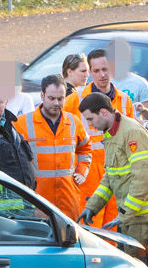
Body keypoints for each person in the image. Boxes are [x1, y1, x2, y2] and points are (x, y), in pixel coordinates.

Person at [79, 91, 148, 268]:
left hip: (145, 216)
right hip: (132, 216)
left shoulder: (131, 132)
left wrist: (124, 214)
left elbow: (143, 179)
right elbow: (110, 176)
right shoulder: (111, 133)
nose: (89, 125)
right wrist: (92, 206)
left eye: (90, 119)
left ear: (103, 112)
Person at [64, 49, 136, 229]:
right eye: (96, 71)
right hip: (88, 178)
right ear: (90, 71)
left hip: (117, 175)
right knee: (89, 227)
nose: (102, 75)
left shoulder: (124, 101)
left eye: (105, 69)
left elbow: (132, 140)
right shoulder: (75, 100)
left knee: (112, 228)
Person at [15, 74, 93, 220]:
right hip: (37, 201)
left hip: (68, 200)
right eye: (51, 98)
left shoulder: (73, 122)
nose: (56, 103)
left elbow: (85, 148)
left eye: (60, 98)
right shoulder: (21, 123)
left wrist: (82, 171)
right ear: (42, 96)